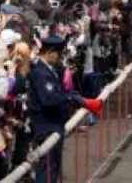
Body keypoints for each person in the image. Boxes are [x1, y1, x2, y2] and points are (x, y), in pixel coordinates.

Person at [27, 36, 102, 183]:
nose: (60, 58)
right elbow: (49, 99)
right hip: (46, 125)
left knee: (54, 167)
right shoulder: (41, 73)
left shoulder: (50, 70)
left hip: (54, 124)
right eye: (59, 54)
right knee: (47, 168)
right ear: (50, 52)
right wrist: (70, 99)